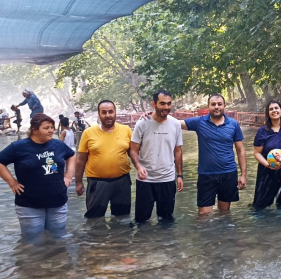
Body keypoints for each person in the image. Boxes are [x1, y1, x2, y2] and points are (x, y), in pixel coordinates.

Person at [0, 113, 76, 237]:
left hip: (58, 202)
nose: (51, 131)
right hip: (29, 204)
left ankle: (57, 257)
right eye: (46, 128)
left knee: (59, 238)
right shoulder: (19, 147)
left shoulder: (58, 144)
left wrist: (68, 175)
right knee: (32, 242)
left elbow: (71, 155)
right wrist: (11, 182)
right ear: (35, 130)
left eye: (52, 127)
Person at [181, 95, 247, 215]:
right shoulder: (199, 122)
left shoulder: (233, 124)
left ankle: (223, 234)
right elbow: (175, 123)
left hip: (228, 173)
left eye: (219, 104)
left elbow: (240, 150)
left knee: (224, 212)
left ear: (224, 106)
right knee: (203, 214)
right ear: (208, 106)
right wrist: (154, 116)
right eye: (213, 104)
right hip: (206, 174)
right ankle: (206, 234)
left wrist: (243, 175)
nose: (217, 107)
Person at [129, 90, 184, 223]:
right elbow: (133, 150)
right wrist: (138, 167)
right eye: (162, 103)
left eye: (169, 104)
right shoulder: (142, 123)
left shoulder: (175, 124)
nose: (166, 107)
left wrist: (180, 175)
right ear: (154, 104)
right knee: (141, 220)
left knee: (166, 220)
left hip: (167, 178)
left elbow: (178, 151)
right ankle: (145, 244)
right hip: (145, 180)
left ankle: (165, 244)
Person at [75, 100, 133, 219]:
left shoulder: (126, 130)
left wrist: (142, 169)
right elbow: (81, 160)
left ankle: (120, 238)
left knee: (122, 219)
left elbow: (134, 154)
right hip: (97, 183)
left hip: (122, 182)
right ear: (99, 114)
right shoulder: (88, 133)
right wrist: (78, 182)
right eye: (104, 112)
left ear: (115, 112)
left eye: (111, 112)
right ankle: (97, 238)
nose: (108, 115)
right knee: (94, 219)